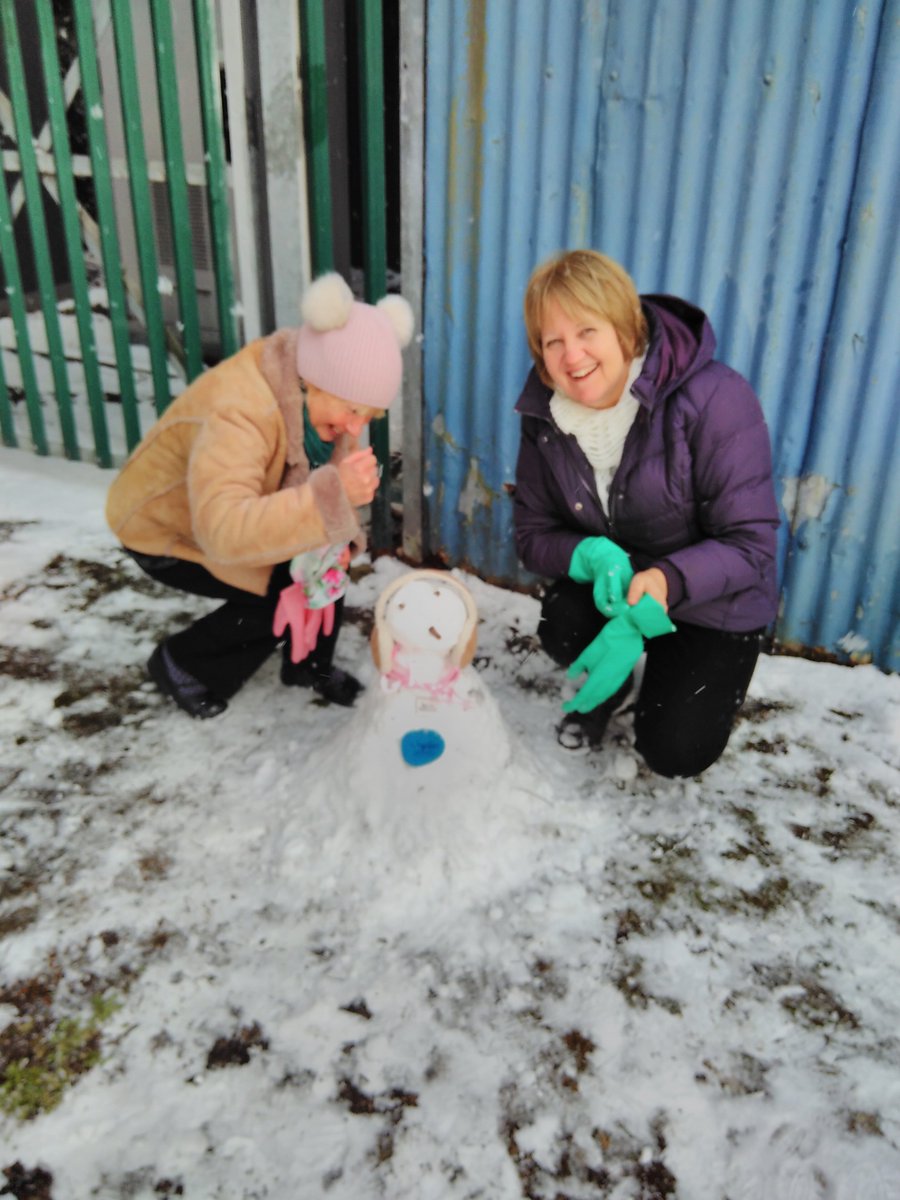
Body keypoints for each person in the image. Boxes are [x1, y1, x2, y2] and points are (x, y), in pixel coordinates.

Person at [513, 249, 780, 777]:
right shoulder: (546, 416)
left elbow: (752, 545)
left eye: (587, 330)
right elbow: (531, 534)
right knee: (562, 622)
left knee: (674, 752)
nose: (572, 356)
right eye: (554, 341)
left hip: (715, 602)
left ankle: (675, 680)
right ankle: (619, 685)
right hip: (622, 588)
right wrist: (589, 554)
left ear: (626, 329)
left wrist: (665, 580)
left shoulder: (715, 398)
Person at [106, 272, 414, 718]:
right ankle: (184, 663)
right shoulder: (241, 407)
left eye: (368, 415)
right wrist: (331, 499)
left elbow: (318, 517)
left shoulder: (317, 394)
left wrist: (334, 529)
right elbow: (225, 532)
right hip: (159, 525)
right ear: (316, 379)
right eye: (352, 409)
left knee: (324, 567)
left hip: (220, 511)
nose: (356, 427)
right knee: (276, 587)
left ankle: (307, 665)